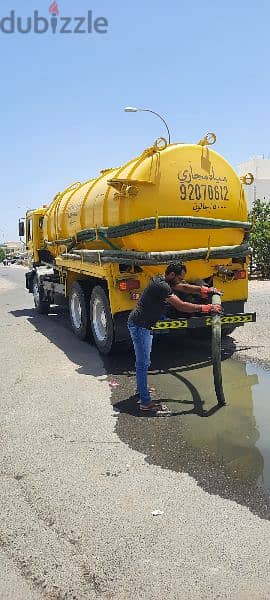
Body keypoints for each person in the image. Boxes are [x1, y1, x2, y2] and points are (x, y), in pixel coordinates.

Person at [128, 261, 222, 414]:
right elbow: (181, 306)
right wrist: (206, 308)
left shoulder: (164, 280)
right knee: (142, 363)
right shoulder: (161, 286)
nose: (181, 281)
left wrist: (205, 290)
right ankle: (145, 402)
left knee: (144, 362)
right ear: (172, 275)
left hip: (144, 325)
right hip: (140, 327)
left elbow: (184, 287)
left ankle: (141, 390)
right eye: (179, 278)